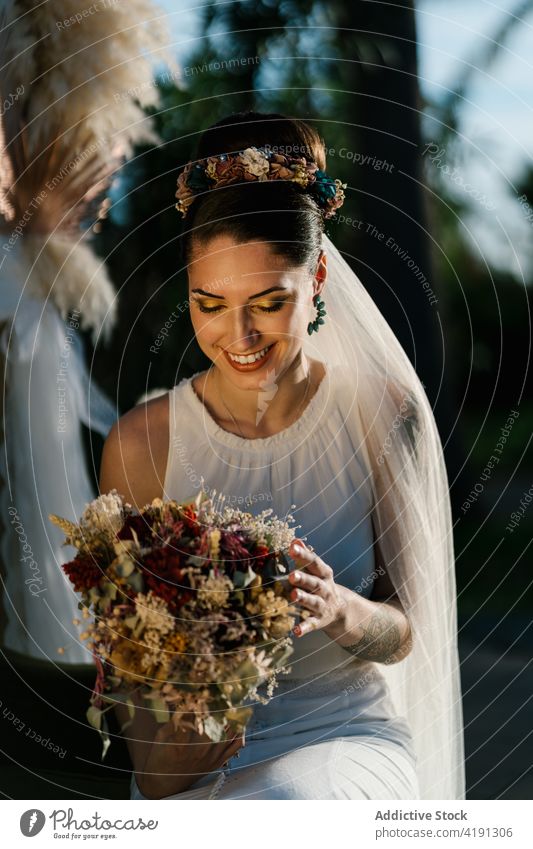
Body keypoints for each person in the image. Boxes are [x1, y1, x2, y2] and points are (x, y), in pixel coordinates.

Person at [99, 112, 465, 800]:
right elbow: (131, 681)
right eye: (209, 303)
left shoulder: (380, 414)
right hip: (199, 760)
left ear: (317, 275)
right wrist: (178, 741)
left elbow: (405, 631)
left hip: (341, 738)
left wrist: (337, 607)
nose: (237, 335)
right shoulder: (141, 445)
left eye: (268, 302)